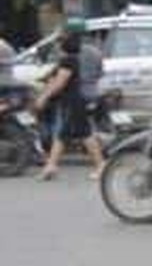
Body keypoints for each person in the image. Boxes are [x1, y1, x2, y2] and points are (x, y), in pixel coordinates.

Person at [33, 29, 105, 181]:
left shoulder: (68, 61)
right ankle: (51, 167)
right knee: (63, 135)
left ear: (64, 45)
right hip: (71, 101)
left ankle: (101, 166)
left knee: (85, 135)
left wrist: (44, 97)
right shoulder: (70, 59)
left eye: (59, 43)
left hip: (73, 102)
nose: (57, 46)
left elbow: (60, 83)